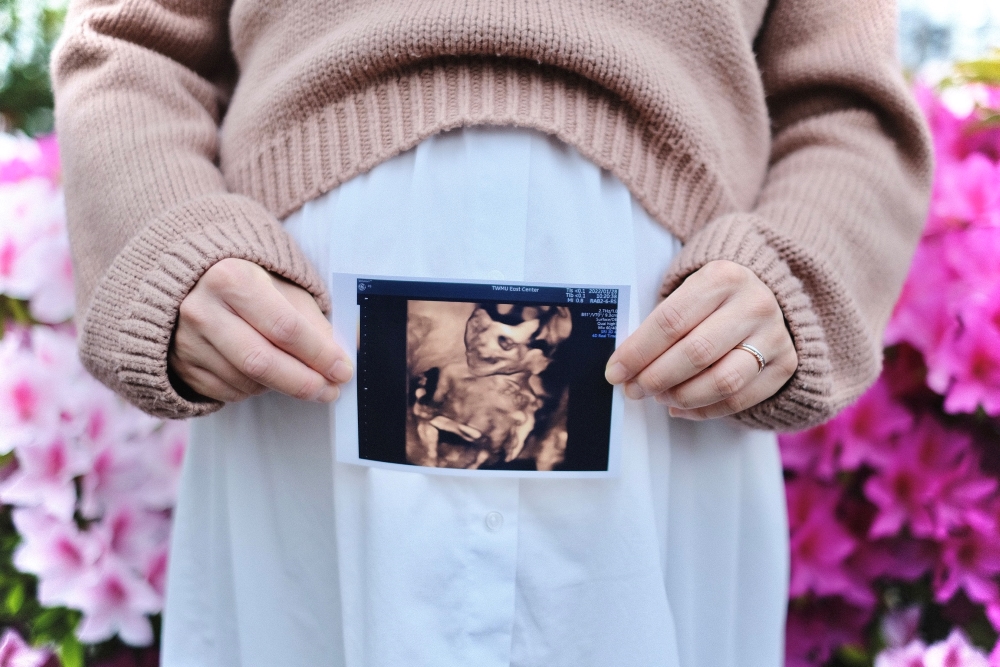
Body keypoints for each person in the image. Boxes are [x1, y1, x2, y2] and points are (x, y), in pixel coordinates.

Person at [51, 0, 932, 665]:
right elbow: (130, 47)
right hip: (296, 389)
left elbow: (848, 110)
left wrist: (799, 273)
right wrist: (167, 240)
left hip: (676, 391)